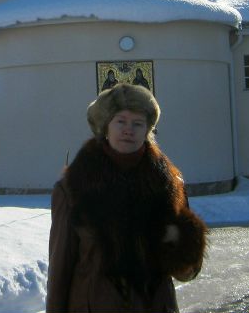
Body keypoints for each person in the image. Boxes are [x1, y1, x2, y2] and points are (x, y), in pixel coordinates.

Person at [46, 83, 207, 312]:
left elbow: (187, 270)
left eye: (137, 123)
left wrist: (181, 240)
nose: (128, 130)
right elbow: (60, 269)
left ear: (147, 130)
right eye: (120, 121)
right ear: (106, 128)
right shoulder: (72, 188)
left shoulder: (169, 184)